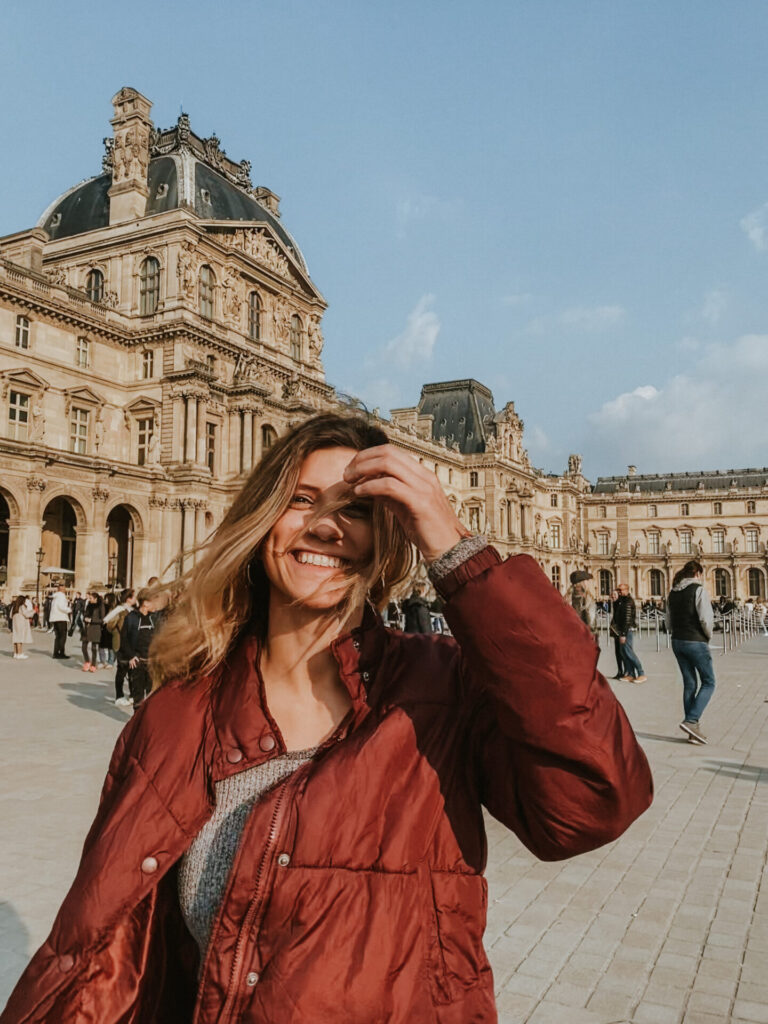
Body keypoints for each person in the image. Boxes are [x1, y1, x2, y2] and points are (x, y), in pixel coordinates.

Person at [2, 414, 653, 1024]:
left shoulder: (444, 689)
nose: (326, 526)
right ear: (262, 521)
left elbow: (593, 803)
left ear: (390, 537)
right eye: (302, 499)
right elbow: (98, 951)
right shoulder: (171, 717)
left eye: (360, 510)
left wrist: (459, 552)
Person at [666, 560, 716, 745]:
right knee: (709, 682)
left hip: (677, 640)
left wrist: (676, 632)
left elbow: (668, 621)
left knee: (689, 684)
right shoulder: (699, 589)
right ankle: (691, 720)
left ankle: (692, 731)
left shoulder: (672, 593)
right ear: (697, 574)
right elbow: (705, 618)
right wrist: (707, 636)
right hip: (695, 640)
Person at [121, 589, 156, 709]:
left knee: (153, 696)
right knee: (138, 697)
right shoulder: (131, 618)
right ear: (145, 603)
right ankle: (137, 721)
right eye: (153, 602)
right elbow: (124, 639)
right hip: (138, 662)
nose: (155, 604)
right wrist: (131, 656)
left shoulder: (155, 618)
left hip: (152, 662)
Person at [104, 588, 137, 705]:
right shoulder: (120, 609)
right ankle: (119, 696)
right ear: (128, 598)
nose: (136, 598)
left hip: (131, 643)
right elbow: (106, 620)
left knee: (133, 670)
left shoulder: (133, 609)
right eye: (134, 596)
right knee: (122, 670)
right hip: (120, 642)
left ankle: (132, 694)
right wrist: (117, 630)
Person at [611, 582, 647, 683]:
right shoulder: (622, 601)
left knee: (628, 652)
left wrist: (623, 634)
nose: (619, 592)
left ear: (627, 590)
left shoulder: (628, 602)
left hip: (626, 631)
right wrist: (614, 601)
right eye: (618, 590)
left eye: (621, 590)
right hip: (623, 630)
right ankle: (630, 674)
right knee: (624, 652)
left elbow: (626, 619)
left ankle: (641, 673)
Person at [569, 569, 598, 644]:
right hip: (585, 634)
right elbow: (590, 618)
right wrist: (593, 632)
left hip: (572, 633)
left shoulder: (569, 596)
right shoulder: (587, 598)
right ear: (584, 583)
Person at [81, 591, 104, 672]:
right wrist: (85, 618)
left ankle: (93, 664)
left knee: (94, 648)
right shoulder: (88, 606)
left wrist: (92, 620)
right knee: (84, 647)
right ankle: (87, 661)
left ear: (95, 598)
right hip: (87, 628)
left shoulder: (100, 606)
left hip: (95, 628)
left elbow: (102, 619)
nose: (89, 599)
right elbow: (84, 615)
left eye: (91, 598)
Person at [48, 584, 71, 659]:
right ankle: (61, 653)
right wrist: (69, 609)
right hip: (61, 617)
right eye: (64, 589)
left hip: (55, 618)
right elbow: (61, 607)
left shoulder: (55, 597)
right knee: (62, 637)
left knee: (57, 637)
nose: (65, 590)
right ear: (61, 589)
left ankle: (56, 653)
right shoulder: (61, 596)